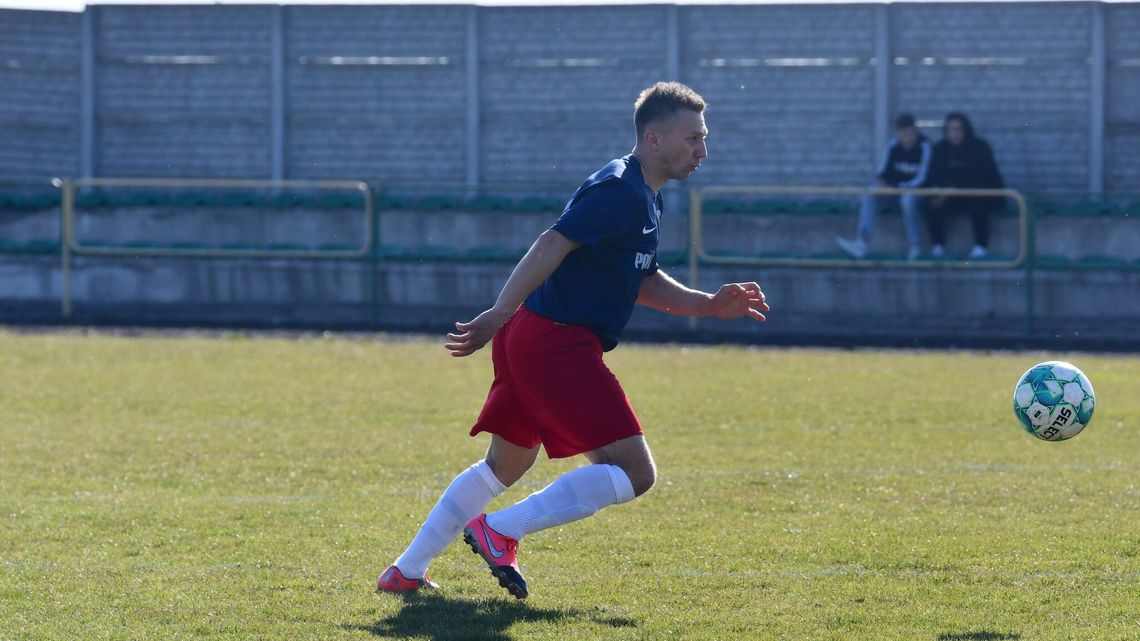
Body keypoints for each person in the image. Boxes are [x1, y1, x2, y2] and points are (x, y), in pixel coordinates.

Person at [376, 82, 769, 599]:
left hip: (537, 338)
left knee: (507, 463)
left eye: (704, 138)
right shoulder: (617, 190)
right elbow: (551, 243)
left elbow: (643, 280)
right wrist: (500, 309)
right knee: (634, 472)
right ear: (654, 140)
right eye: (693, 138)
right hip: (555, 343)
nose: (703, 151)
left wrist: (708, 305)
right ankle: (498, 531)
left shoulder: (643, 197)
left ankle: (406, 570)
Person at [836, 113, 932, 262]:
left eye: (911, 133)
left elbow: (922, 179)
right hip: (894, 192)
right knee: (869, 193)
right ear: (898, 133)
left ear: (916, 132)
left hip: (916, 194)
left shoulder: (925, 147)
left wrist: (897, 187)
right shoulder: (892, 145)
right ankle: (862, 243)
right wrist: (882, 183)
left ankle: (915, 248)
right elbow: (881, 172)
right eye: (904, 133)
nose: (908, 137)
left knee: (908, 200)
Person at [924, 112, 1005, 260]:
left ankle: (981, 246)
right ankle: (938, 246)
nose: (954, 134)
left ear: (966, 129)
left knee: (978, 200)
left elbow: (985, 178)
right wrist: (936, 191)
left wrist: (954, 190)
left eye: (958, 129)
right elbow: (933, 175)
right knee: (931, 202)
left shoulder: (980, 147)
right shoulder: (940, 149)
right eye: (950, 129)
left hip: (980, 195)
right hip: (952, 198)